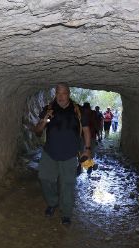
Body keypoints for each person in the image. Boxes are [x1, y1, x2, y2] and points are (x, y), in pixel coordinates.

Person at [34, 83, 91, 225]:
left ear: (69, 93)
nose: (60, 96)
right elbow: (38, 131)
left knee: (67, 184)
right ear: (55, 94)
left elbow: (86, 130)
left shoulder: (78, 110)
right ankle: (52, 202)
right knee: (44, 178)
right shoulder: (49, 109)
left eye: (63, 93)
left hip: (70, 154)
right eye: (58, 93)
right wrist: (45, 119)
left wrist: (88, 148)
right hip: (50, 153)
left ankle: (66, 213)